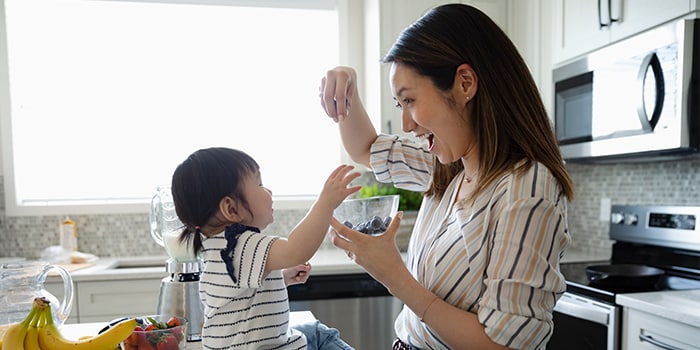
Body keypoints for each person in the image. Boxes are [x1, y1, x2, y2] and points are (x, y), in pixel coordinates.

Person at [318, 3, 575, 350]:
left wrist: (395, 276)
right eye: (400, 105)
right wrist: (346, 89)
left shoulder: (527, 190)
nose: (407, 125)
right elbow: (365, 148)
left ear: (464, 84)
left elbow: (503, 346)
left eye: (409, 100)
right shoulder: (448, 166)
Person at [170, 147, 359, 350]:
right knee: (319, 334)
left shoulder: (218, 248)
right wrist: (326, 202)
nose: (269, 191)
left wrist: (280, 277)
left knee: (312, 332)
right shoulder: (240, 243)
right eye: (260, 184)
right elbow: (297, 250)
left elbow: (242, 297)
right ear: (231, 209)